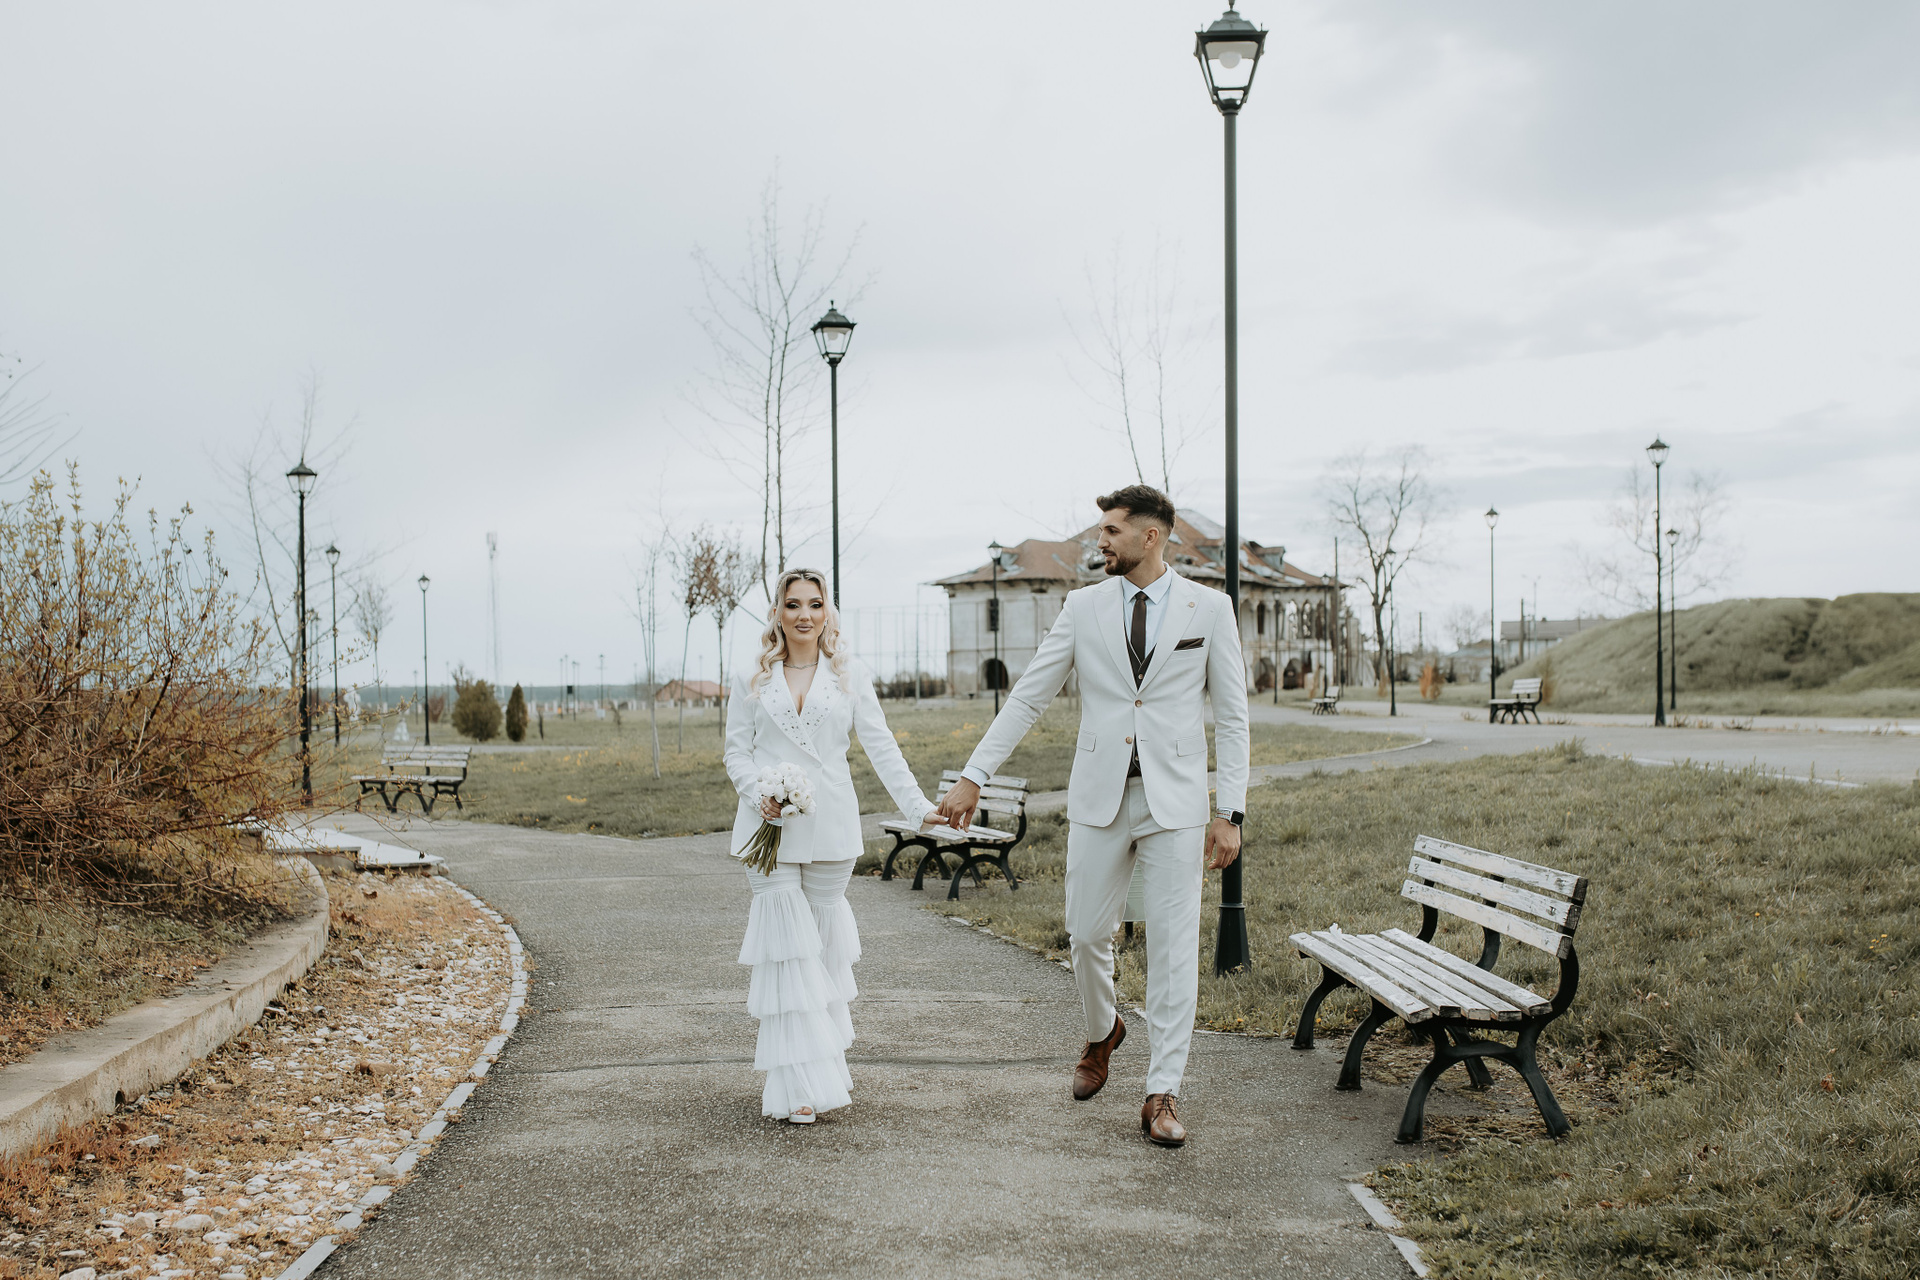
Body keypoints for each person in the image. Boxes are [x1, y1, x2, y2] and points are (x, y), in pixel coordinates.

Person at [934, 485, 1249, 1147]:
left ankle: (1161, 1093)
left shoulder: (1210, 608)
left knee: (1172, 948)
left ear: (1150, 536)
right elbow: (1029, 697)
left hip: (1176, 804)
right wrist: (973, 776)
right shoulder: (1082, 608)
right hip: (1100, 797)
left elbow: (1233, 716)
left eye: (1110, 531)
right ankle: (1104, 1031)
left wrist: (1230, 811)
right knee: (1084, 933)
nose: (1099, 541)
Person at [725, 567, 946, 1123]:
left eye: (815, 604)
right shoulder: (752, 678)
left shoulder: (850, 674)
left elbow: (881, 747)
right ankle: (796, 1086)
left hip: (830, 829)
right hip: (767, 830)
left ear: (828, 612)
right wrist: (759, 794)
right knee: (786, 955)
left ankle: (822, 1070)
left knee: (820, 957)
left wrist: (919, 808)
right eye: (793, 604)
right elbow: (736, 752)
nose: (804, 615)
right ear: (777, 613)